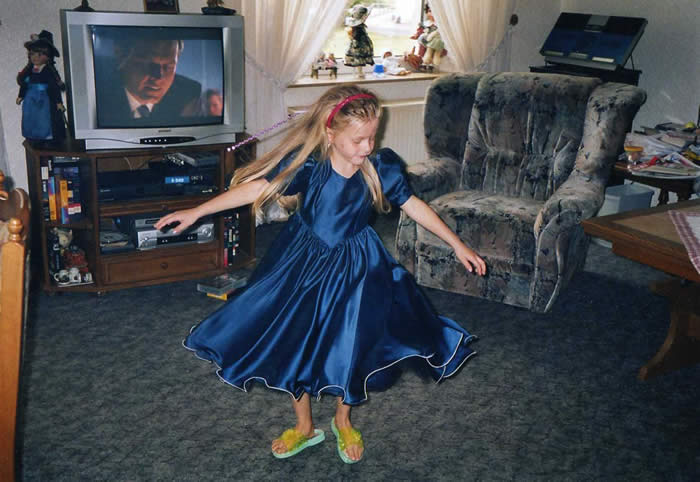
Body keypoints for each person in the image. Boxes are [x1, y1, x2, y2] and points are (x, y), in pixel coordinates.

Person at [155, 85, 486, 464]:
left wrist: (457, 244)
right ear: (330, 134)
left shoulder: (380, 167)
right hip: (303, 262)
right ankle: (304, 426)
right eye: (358, 140)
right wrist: (197, 211)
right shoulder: (310, 165)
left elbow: (414, 206)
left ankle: (343, 420)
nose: (367, 147)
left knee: (352, 341)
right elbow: (257, 188)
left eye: (372, 137)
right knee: (296, 337)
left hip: (357, 266)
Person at [96, 37, 202, 126]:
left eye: (168, 66)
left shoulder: (188, 95)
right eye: (149, 64)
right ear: (121, 56)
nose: (158, 76)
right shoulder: (98, 91)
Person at [16, 30, 66, 143]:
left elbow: (54, 87)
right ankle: (33, 136)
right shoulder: (30, 71)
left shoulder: (49, 71)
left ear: (47, 56)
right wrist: (21, 95)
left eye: (39, 54)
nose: (35, 57)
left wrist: (58, 102)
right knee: (30, 117)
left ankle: (46, 137)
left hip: (44, 99)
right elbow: (25, 83)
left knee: (44, 118)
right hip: (30, 99)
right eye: (32, 54)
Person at [344, 5, 374, 79]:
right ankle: (359, 72)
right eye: (365, 16)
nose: (366, 17)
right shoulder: (357, 28)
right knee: (358, 58)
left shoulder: (359, 26)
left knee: (359, 58)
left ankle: (360, 72)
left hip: (361, 44)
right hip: (358, 45)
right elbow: (355, 36)